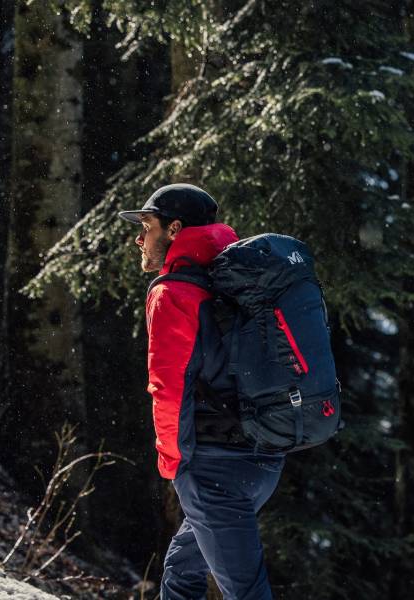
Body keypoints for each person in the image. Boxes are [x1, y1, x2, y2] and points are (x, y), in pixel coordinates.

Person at [119, 183, 285, 600]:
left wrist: (173, 463)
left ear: (174, 228)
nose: (140, 238)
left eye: (147, 225)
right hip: (264, 457)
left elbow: (167, 387)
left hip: (214, 467)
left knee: (245, 591)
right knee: (181, 570)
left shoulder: (173, 292)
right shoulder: (234, 278)